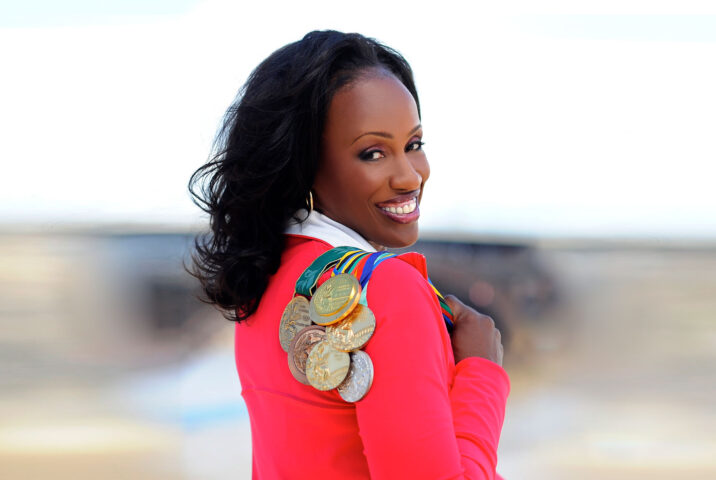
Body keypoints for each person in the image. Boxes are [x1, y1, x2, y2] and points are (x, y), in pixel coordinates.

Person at [188, 30, 509, 479]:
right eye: (373, 153)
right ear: (304, 165)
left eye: (413, 145)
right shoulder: (387, 289)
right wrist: (481, 374)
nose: (409, 177)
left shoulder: (262, 279)